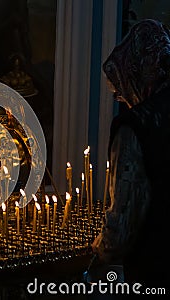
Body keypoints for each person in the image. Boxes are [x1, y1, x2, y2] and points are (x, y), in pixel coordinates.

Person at [91, 19, 170, 289]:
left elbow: (123, 222)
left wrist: (96, 253)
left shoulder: (137, 125)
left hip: (154, 270)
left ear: (134, 73)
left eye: (119, 91)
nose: (121, 98)